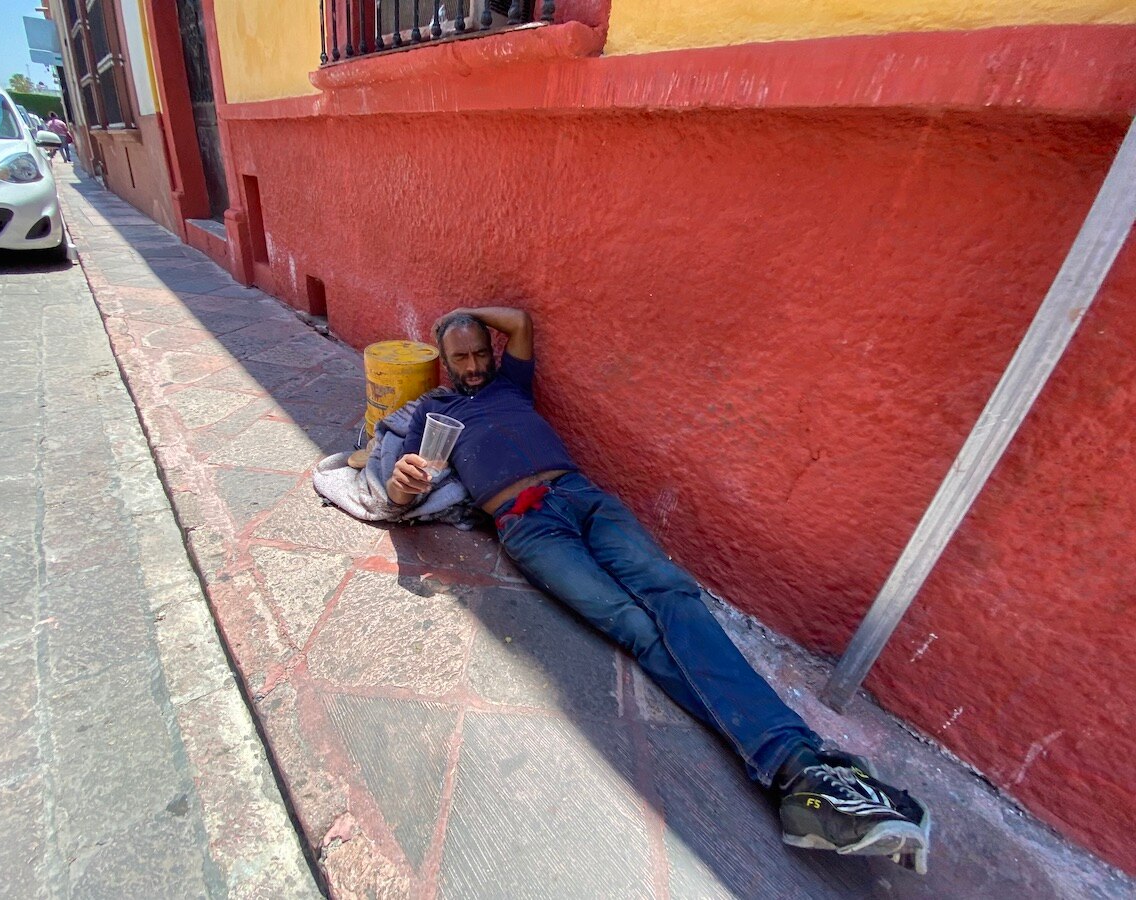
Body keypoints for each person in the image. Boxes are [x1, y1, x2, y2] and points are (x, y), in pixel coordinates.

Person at [387, 307, 932, 872]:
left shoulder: (512, 383)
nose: (474, 366)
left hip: (585, 497)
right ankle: (800, 767)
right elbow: (400, 488)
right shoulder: (433, 410)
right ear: (443, 363)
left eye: (480, 352)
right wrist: (405, 485)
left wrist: (469, 314)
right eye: (461, 358)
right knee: (637, 626)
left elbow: (520, 322)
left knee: (673, 594)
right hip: (528, 524)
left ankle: (806, 773)